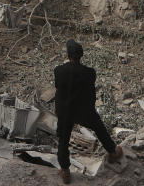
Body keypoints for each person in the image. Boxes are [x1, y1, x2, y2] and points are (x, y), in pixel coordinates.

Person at [54, 40, 122, 183]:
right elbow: (89, 92)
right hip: (83, 110)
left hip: (65, 111)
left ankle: (65, 171)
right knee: (99, 128)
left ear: (67, 55)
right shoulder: (90, 73)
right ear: (81, 56)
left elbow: (59, 88)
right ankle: (113, 152)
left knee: (63, 139)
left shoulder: (59, 71)